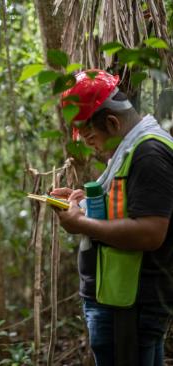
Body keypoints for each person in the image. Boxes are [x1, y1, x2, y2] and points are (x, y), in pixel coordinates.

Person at [51, 70, 173, 366]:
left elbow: (150, 232)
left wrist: (79, 224)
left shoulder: (149, 153)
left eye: (90, 135)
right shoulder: (132, 148)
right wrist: (83, 200)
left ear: (112, 122)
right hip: (119, 299)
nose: (89, 144)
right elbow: (130, 205)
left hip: (130, 305)